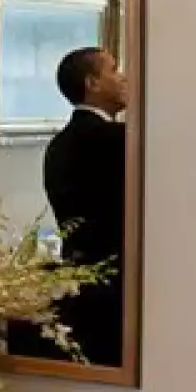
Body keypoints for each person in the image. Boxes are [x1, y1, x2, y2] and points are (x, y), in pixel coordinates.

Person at [38, 46, 128, 366]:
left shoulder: (57, 146)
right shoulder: (117, 141)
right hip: (120, 287)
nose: (124, 77)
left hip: (77, 284)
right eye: (115, 69)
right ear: (93, 83)